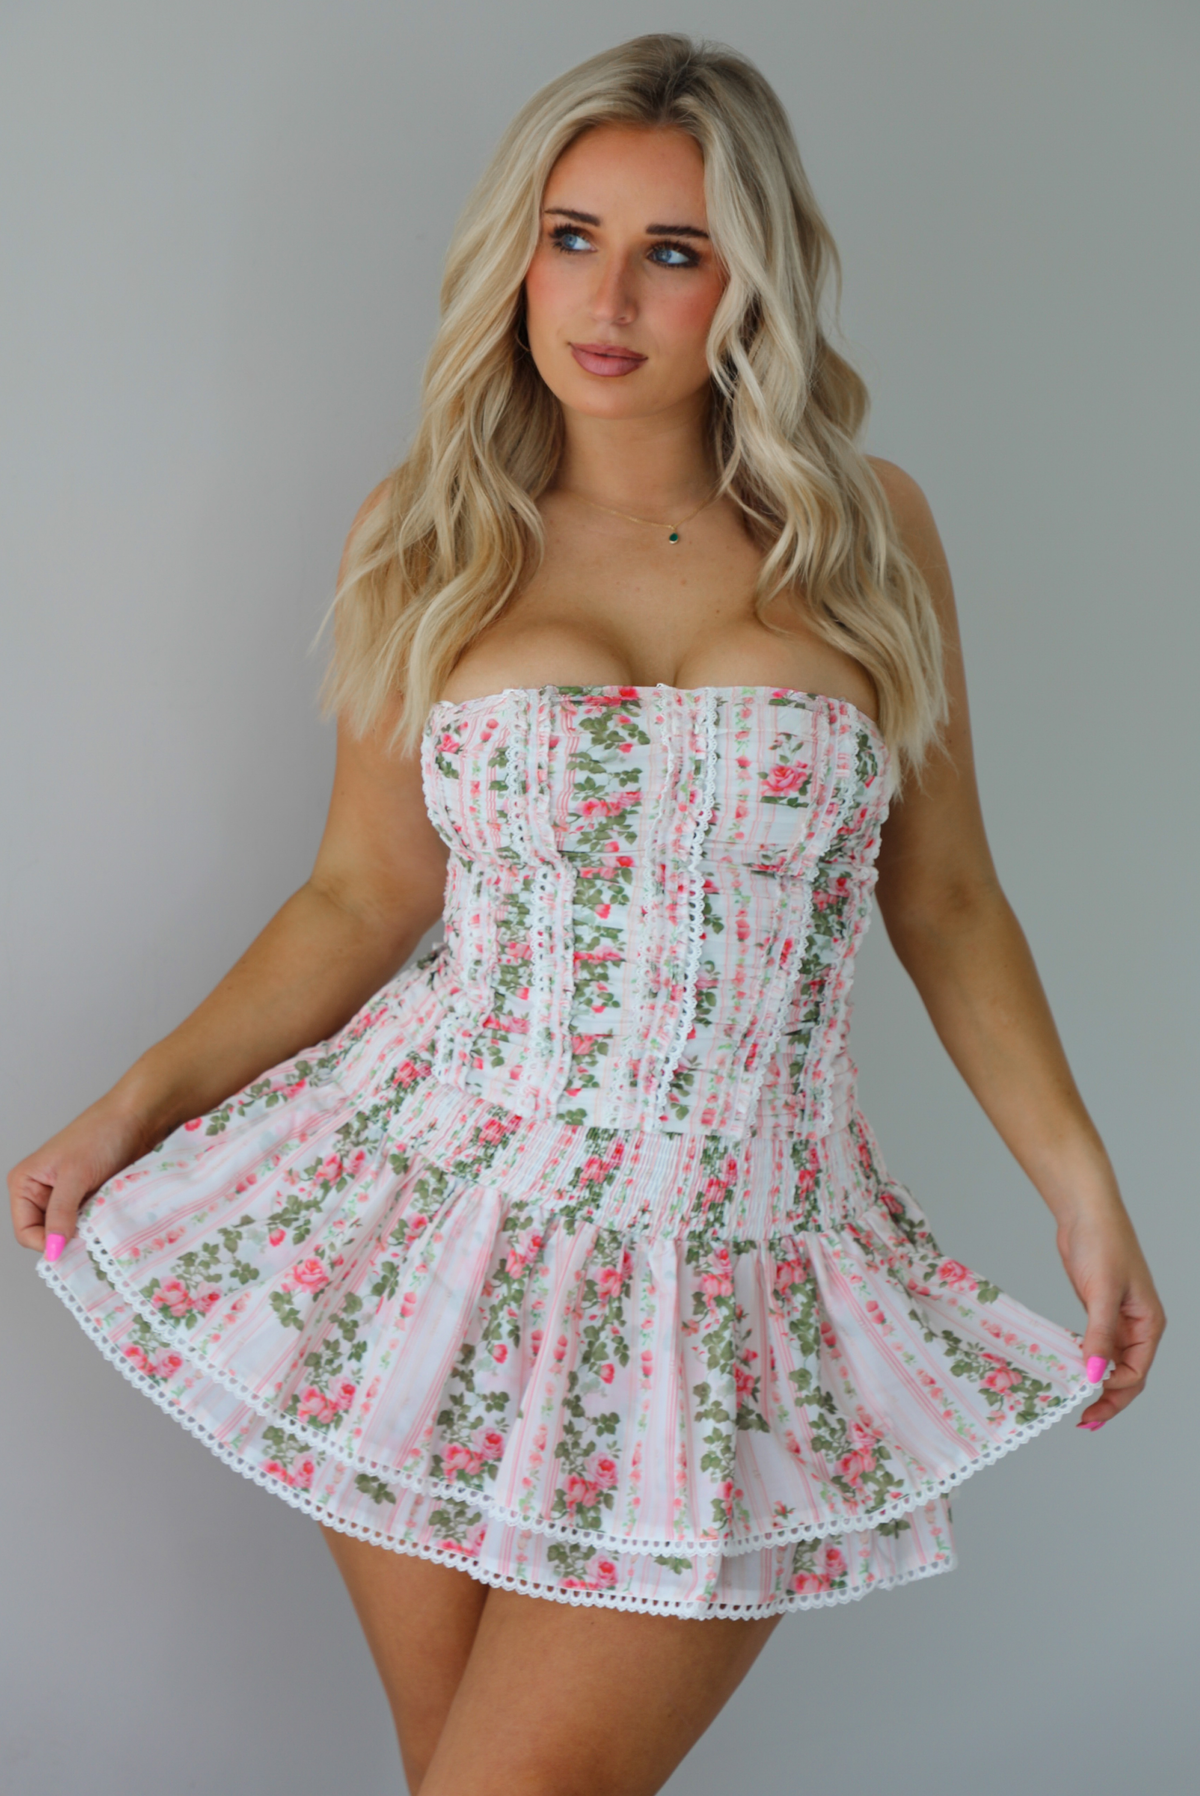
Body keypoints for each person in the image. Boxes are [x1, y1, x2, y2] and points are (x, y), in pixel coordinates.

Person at [9, 31, 1165, 1796]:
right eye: (572, 237)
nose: (607, 299)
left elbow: (943, 895)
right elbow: (360, 894)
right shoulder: (430, 532)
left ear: (748, 285)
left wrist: (1082, 1188)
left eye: (671, 252)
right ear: (519, 255)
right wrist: (127, 1110)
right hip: (426, 1219)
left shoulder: (869, 534)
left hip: (731, 1256)